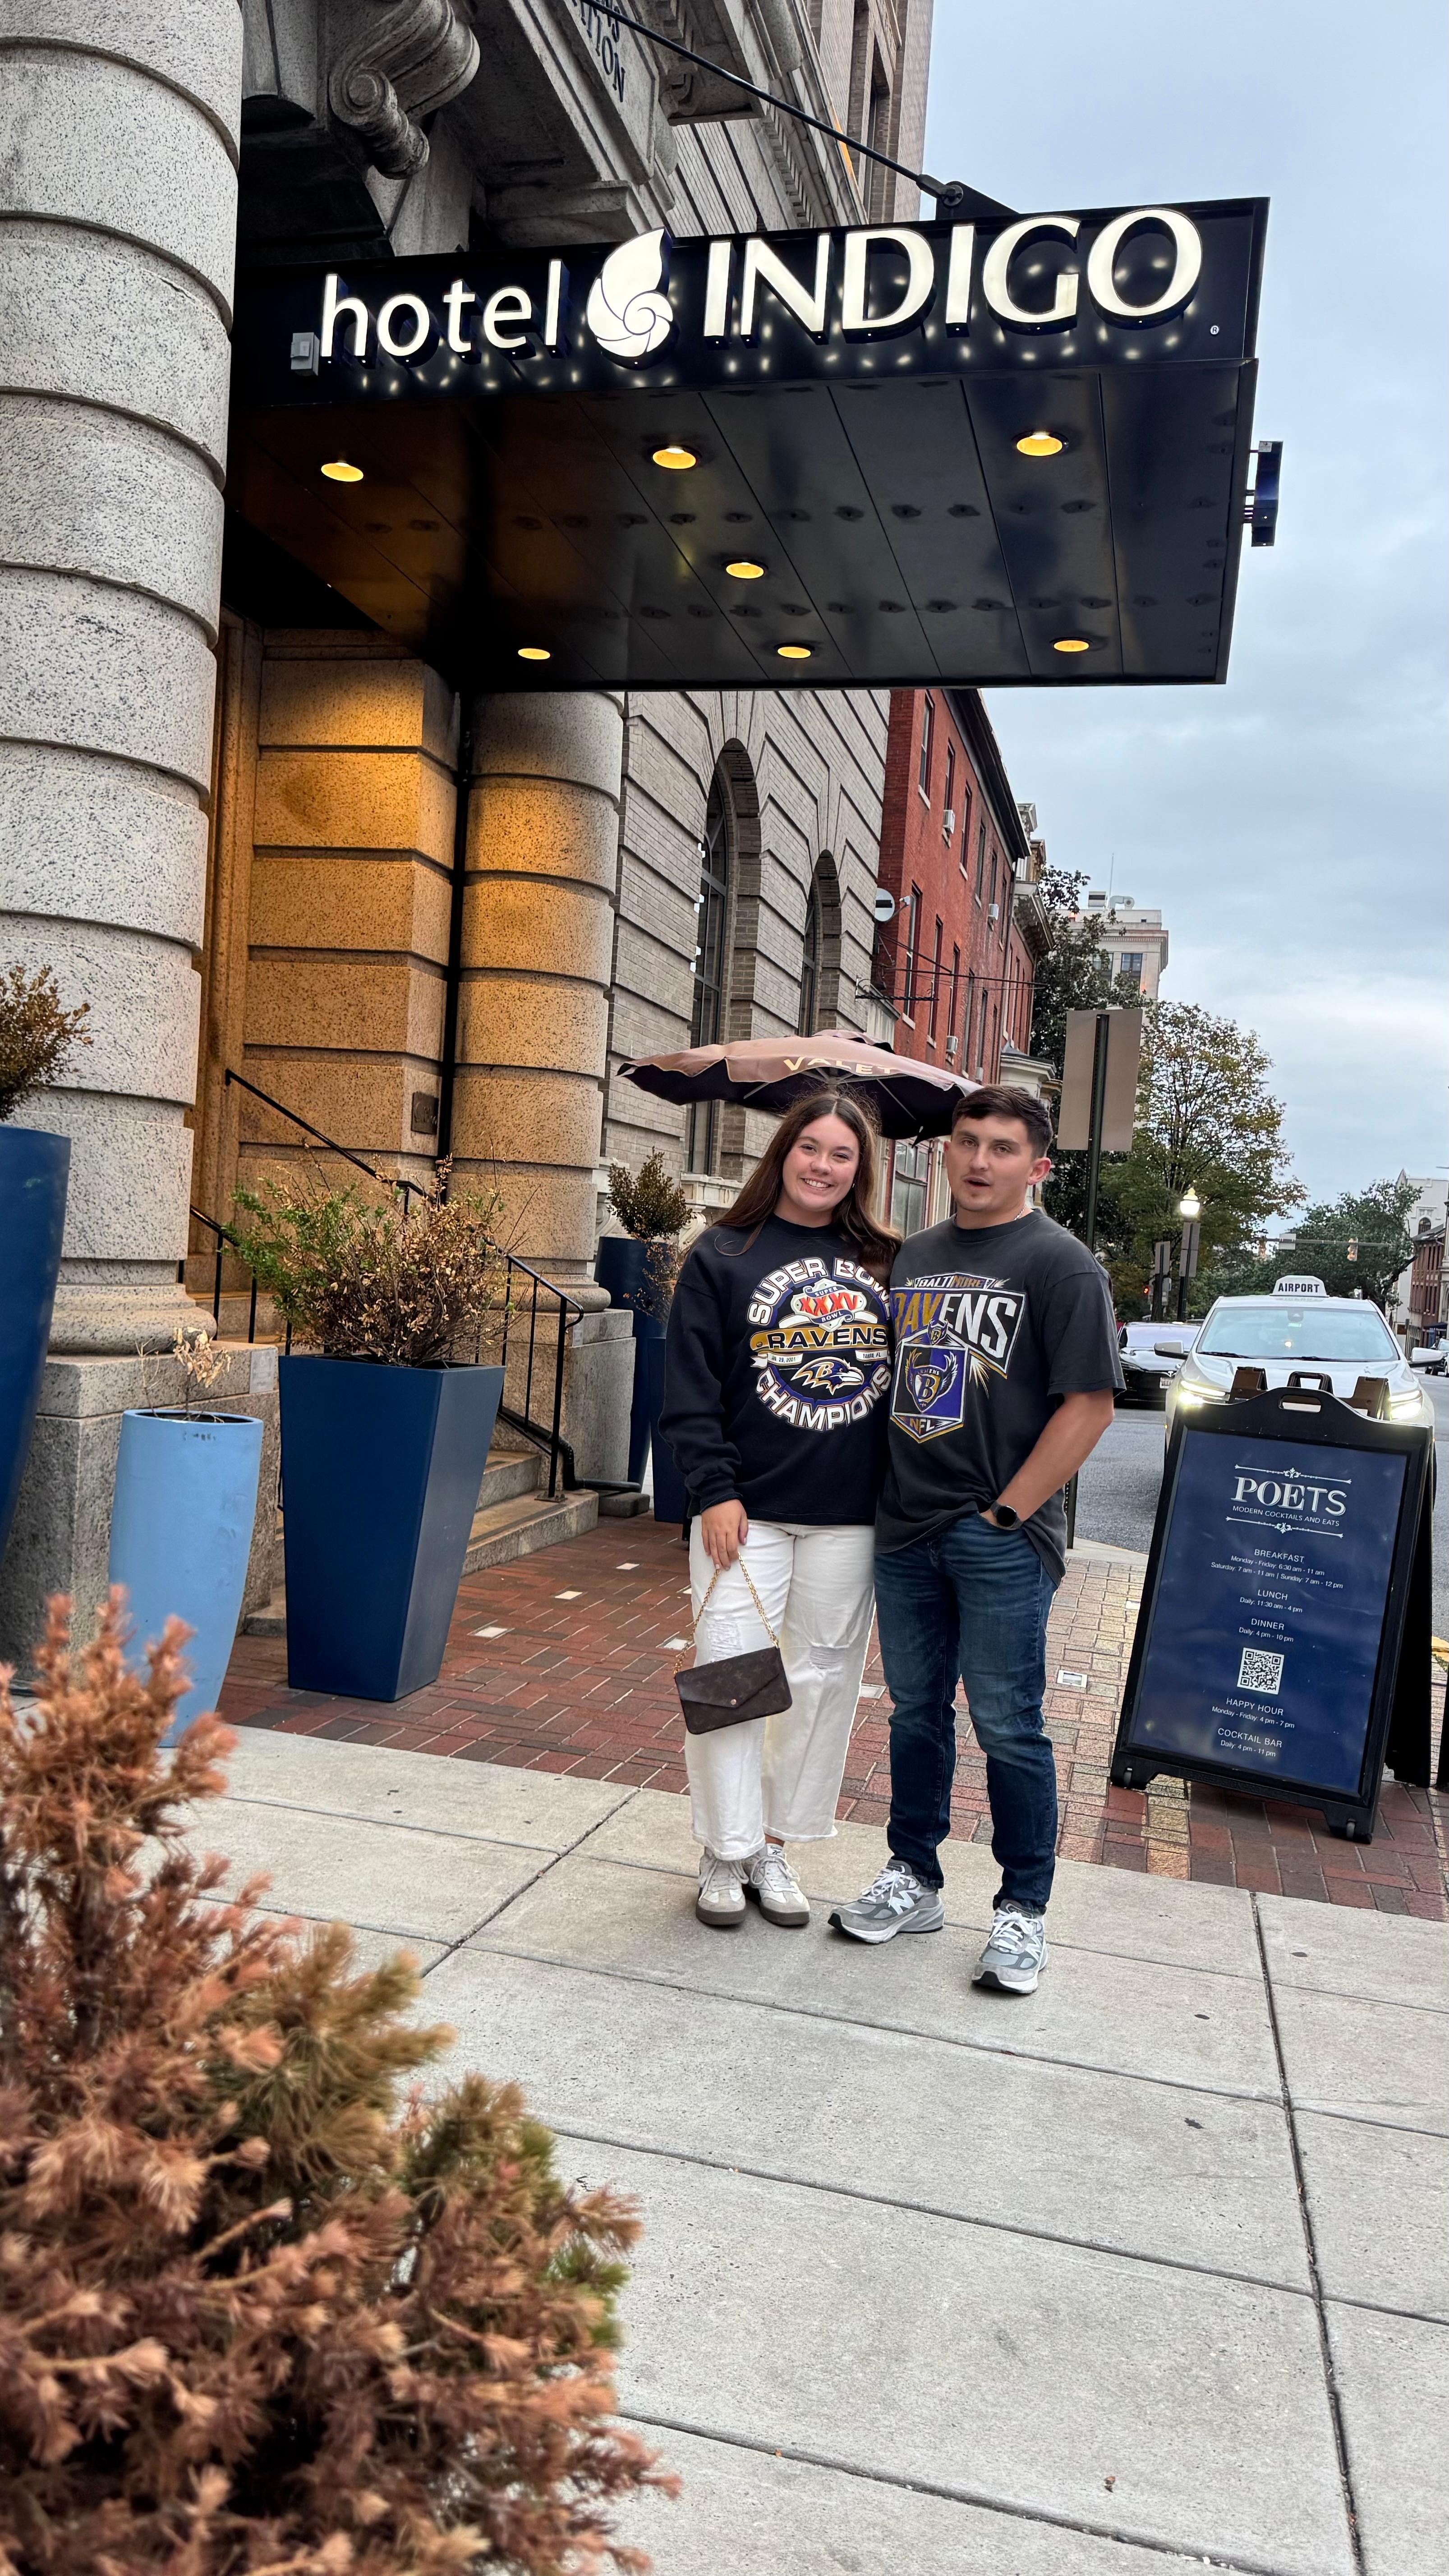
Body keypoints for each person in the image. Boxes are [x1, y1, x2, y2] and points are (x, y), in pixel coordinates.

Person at [831, 1086, 1122, 1992]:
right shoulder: (916, 1255)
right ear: (946, 1152)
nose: (980, 1161)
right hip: (905, 1527)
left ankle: (1021, 1909)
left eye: (1002, 1148)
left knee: (1008, 1726)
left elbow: (1089, 1406)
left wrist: (1006, 1512)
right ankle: (912, 1877)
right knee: (914, 1712)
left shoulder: (1061, 1265)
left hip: (998, 1536)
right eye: (967, 1142)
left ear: (1037, 1167)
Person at [660, 1089, 898, 1930]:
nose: (822, 1166)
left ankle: (772, 1846)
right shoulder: (723, 1253)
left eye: (842, 1155)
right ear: (783, 1152)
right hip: (746, 1513)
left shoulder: (887, 1262)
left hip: (849, 1518)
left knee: (819, 1684)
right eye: (810, 1148)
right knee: (732, 1677)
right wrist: (715, 1490)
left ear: (860, 1170)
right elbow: (689, 1388)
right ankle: (722, 1850)